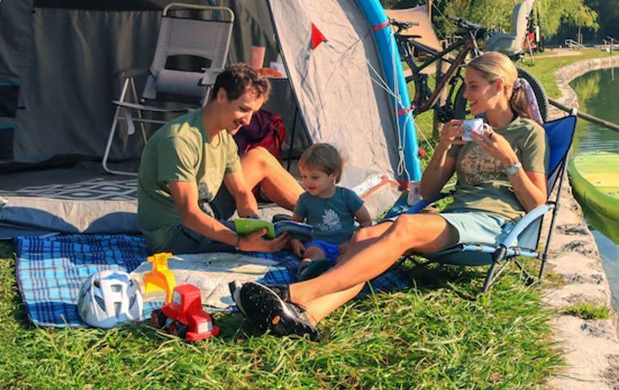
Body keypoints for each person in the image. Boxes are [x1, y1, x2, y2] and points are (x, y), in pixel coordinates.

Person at [233, 51, 548, 338]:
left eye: (473, 86)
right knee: (362, 239)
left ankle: (294, 294)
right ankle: (308, 317)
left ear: (500, 87)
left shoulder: (529, 133)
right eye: (465, 86)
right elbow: (428, 191)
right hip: (455, 217)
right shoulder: (471, 131)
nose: (465, 94)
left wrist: (510, 161)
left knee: (404, 227)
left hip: (494, 223)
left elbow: (537, 204)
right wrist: (443, 145)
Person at [137, 63, 304, 255]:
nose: (247, 121)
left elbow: (241, 191)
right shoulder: (179, 140)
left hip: (205, 208)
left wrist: (252, 222)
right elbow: (190, 214)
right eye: (243, 109)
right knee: (277, 238)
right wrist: (240, 241)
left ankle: (320, 210)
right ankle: (298, 232)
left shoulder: (224, 137)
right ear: (222, 96)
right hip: (174, 233)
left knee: (259, 158)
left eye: (253, 113)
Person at [289, 143, 373, 279]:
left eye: (314, 177)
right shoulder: (305, 199)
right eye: (304, 176)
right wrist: (295, 241)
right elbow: (295, 226)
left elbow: (366, 221)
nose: (307, 182)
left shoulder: (347, 196)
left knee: (346, 260)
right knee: (312, 253)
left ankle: (334, 277)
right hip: (318, 243)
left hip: (344, 244)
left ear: (333, 175)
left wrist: (352, 242)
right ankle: (308, 271)